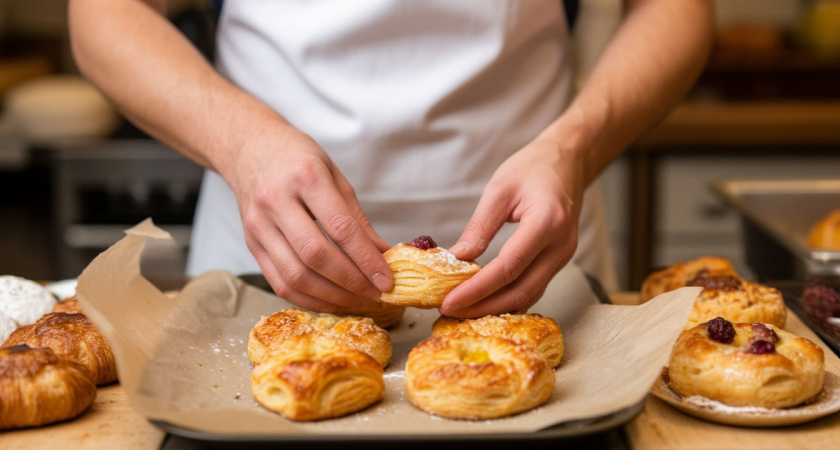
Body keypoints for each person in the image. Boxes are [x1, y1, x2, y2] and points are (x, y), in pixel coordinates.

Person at [68, 0, 713, 318]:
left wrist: (575, 147)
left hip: (536, 252)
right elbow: (104, 14)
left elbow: (676, 10)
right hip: (266, 258)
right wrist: (242, 144)